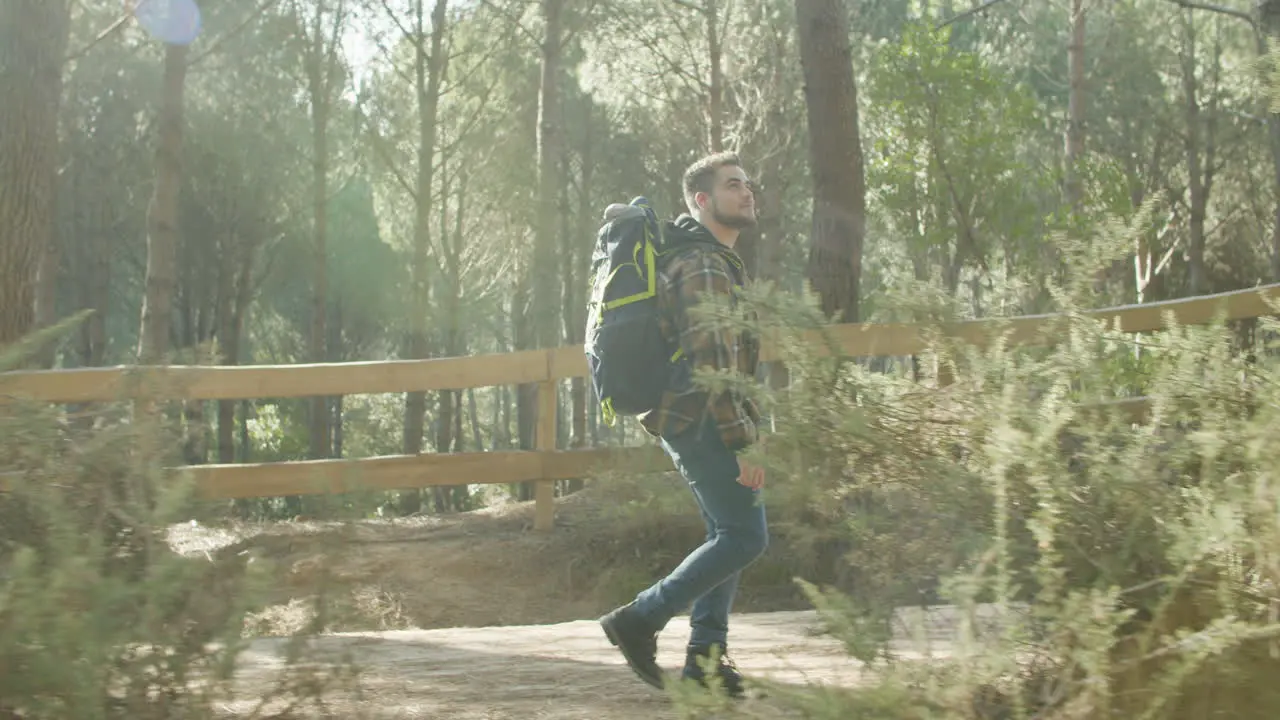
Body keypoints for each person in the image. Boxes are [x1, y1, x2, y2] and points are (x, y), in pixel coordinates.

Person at [598, 151, 768, 698]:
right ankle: (639, 620)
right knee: (744, 535)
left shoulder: (708, 260)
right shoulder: (703, 265)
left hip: (695, 416)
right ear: (701, 199)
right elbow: (712, 362)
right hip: (701, 419)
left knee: (728, 532)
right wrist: (743, 441)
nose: (747, 193)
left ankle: (706, 658)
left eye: (748, 185)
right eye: (732, 185)